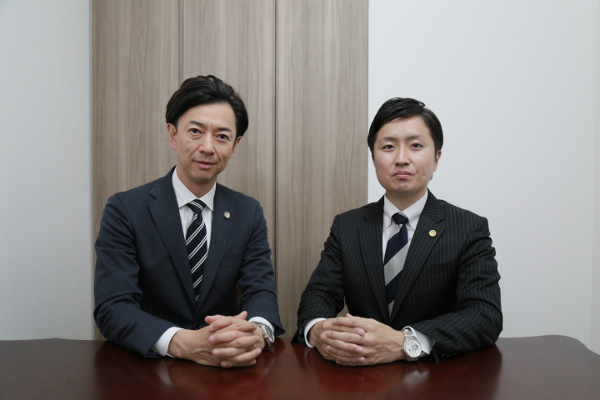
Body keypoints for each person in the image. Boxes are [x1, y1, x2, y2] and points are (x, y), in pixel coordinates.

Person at [294, 97, 502, 365]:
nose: (402, 159)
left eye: (415, 146)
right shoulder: (347, 226)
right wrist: (317, 329)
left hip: (438, 375)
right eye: (388, 147)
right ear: (374, 158)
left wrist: (405, 341)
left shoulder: (467, 227)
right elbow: (319, 294)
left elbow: (484, 315)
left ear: (436, 158)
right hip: (361, 374)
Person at [94, 75, 284, 368]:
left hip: (226, 367)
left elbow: (260, 291)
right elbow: (113, 306)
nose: (208, 147)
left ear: (234, 146)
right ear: (173, 135)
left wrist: (257, 333)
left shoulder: (248, 212)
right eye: (195, 131)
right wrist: (184, 342)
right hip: (147, 368)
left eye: (222, 136)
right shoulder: (125, 209)